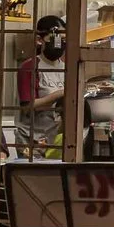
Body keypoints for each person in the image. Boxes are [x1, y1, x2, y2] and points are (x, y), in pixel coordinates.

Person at [17, 13, 69, 155]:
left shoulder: (67, 67)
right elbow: (27, 106)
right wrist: (58, 95)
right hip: (32, 138)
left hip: (57, 137)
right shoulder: (30, 67)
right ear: (39, 40)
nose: (59, 43)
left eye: (63, 39)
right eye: (54, 38)